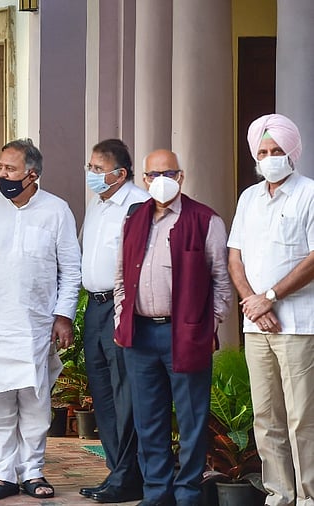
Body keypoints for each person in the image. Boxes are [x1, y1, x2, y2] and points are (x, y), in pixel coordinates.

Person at [0, 139, 81, 501]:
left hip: (34, 324)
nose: (2, 175)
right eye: (0, 167)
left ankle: (33, 472)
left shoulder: (56, 210)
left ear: (32, 174)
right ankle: (2, 474)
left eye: (9, 169)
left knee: (34, 403)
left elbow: (70, 270)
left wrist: (63, 315)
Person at [113, 149, 231, 506]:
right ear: (144, 179)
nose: (160, 181)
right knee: (149, 419)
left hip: (186, 334)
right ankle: (157, 492)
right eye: (152, 175)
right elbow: (120, 277)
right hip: (141, 334)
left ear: (180, 177)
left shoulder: (205, 220)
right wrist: (122, 315)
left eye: (168, 173)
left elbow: (222, 282)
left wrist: (207, 325)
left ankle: (188, 493)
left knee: (193, 419)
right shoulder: (134, 220)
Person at [228, 114, 314, 506]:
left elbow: (313, 258)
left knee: (302, 418)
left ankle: (309, 495)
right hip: (256, 325)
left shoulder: (308, 194)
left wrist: (272, 296)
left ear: (292, 153)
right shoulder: (249, 198)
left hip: (298, 324)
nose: (269, 158)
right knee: (266, 417)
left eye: (277, 150)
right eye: (263, 152)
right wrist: (252, 301)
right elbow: (235, 257)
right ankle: (280, 494)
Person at [79, 139, 148, 503]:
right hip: (95, 306)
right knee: (102, 392)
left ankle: (128, 476)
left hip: (122, 307)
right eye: (89, 167)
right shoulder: (98, 205)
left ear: (119, 173)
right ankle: (115, 471)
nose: (91, 174)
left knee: (125, 393)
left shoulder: (136, 204)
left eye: (96, 168)